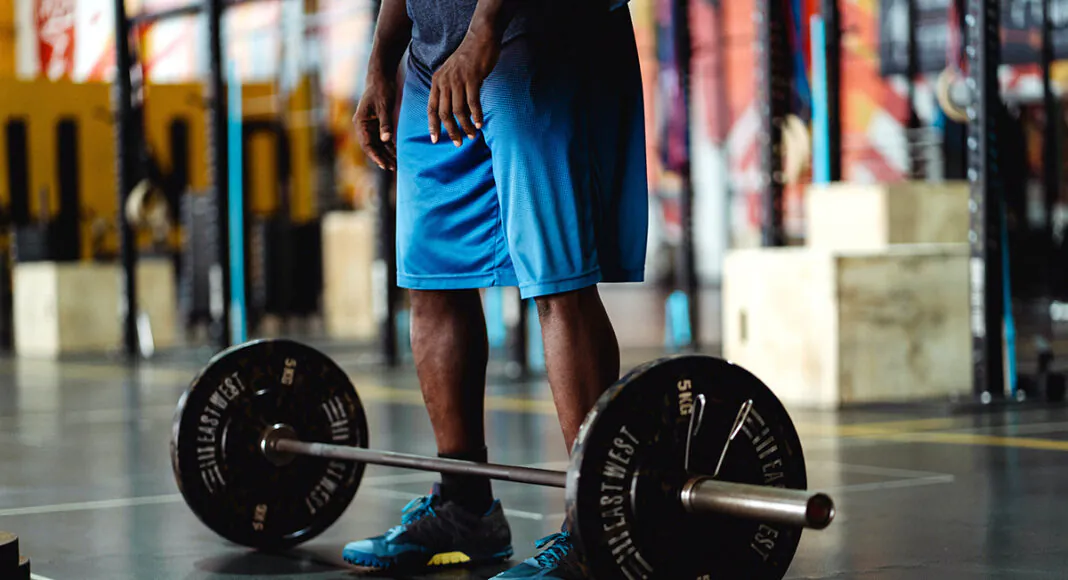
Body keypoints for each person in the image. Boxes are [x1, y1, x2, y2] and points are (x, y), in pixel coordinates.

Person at [344, 0, 648, 577]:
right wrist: (380, 61)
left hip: (534, 33)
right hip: (430, 57)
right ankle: (464, 507)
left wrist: (484, 27)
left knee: (556, 281)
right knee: (433, 278)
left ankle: (596, 525)